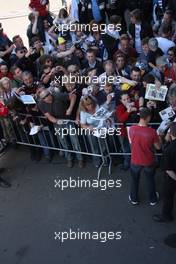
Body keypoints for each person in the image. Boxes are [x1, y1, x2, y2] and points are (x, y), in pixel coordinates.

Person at [128, 108, 161, 205]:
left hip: (135, 160)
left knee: (134, 179)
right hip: (148, 160)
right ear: (148, 117)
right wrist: (159, 138)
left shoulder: (132, 129)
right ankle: (153, 199)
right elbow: (158, 147)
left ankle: (134, 198)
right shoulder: (152, 132)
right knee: (150, 180)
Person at [153, 122, 176, 222]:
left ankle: (166, 216)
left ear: (170, 133)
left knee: (168, 196)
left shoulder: (168, 150)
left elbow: (168, 169)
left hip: (171, 179)